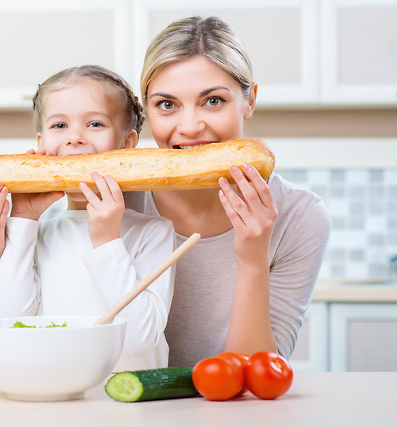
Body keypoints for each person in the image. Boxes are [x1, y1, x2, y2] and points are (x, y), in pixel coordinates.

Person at [124, 16, 330, 367]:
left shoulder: (300, 216)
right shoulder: (116, 202)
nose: (189, 127)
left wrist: (252, 260)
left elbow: (259, 372)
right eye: (167, 104)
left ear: (249, 101)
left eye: (213, 101)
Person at [0, 65, 177, 371]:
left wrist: (106, 241)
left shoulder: (153, 232)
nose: (75, 138)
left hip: (130, 408)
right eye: (59, 126)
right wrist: (23, 219)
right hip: (56, 399)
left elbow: (141, 341)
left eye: (95, 123)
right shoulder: (34, 234)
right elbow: (12, 324)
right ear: (41, 145)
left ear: (127, 146)